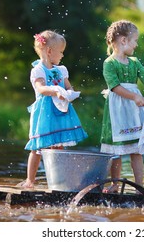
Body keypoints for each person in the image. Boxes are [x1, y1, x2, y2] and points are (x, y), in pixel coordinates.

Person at [100, 20, 144, 193]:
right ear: (123, 40)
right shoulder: (109, 63)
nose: (137, 44)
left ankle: (139, 185)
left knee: (136, 148)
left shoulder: (134, 62)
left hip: (134, 110)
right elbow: (115, 86)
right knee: (117, 150)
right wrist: (134, 96)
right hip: (117, 110)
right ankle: (115, 184)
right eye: (135, 41)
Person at [21, 30, 88, 188]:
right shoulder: (37, 70)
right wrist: (56, 91)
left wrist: (70, 93)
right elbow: (41, 88)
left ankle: (60, 180)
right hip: (45, 113)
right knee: (38, 146)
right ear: (49, 51)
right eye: (61, 52)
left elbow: (69, 87)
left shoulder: (61, 70)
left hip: (60, 112)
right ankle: (30, 180)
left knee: (59, 145)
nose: (62, 56)